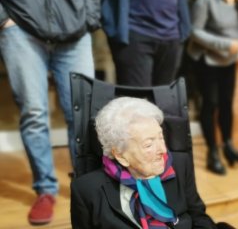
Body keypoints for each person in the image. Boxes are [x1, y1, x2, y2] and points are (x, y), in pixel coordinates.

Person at [0, 0, 99, 225]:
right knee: (33, 111)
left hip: (74, 29)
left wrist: (89, 14)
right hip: (20, 28)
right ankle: (45, 189)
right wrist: (3, 19)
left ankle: (86, 183)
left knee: (83, 110)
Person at [70, 97, 217, 229]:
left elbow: (198, 217)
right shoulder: (86, 191)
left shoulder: (179, 164)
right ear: (120, 156)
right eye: (148, 145)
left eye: (161, 138)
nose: (163, 150)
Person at [188, 0, 238, 175]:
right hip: (208, 60)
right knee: (211, 104)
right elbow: (195, 32)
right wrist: (227, 44)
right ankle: (212, 153)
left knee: (226, 104)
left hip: (229, 60)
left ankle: (229, 147)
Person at [100, 0, 195, 86]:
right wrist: (107, 14)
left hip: (173, 34)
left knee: (163, 103)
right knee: (137, 103)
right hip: (134, 33)